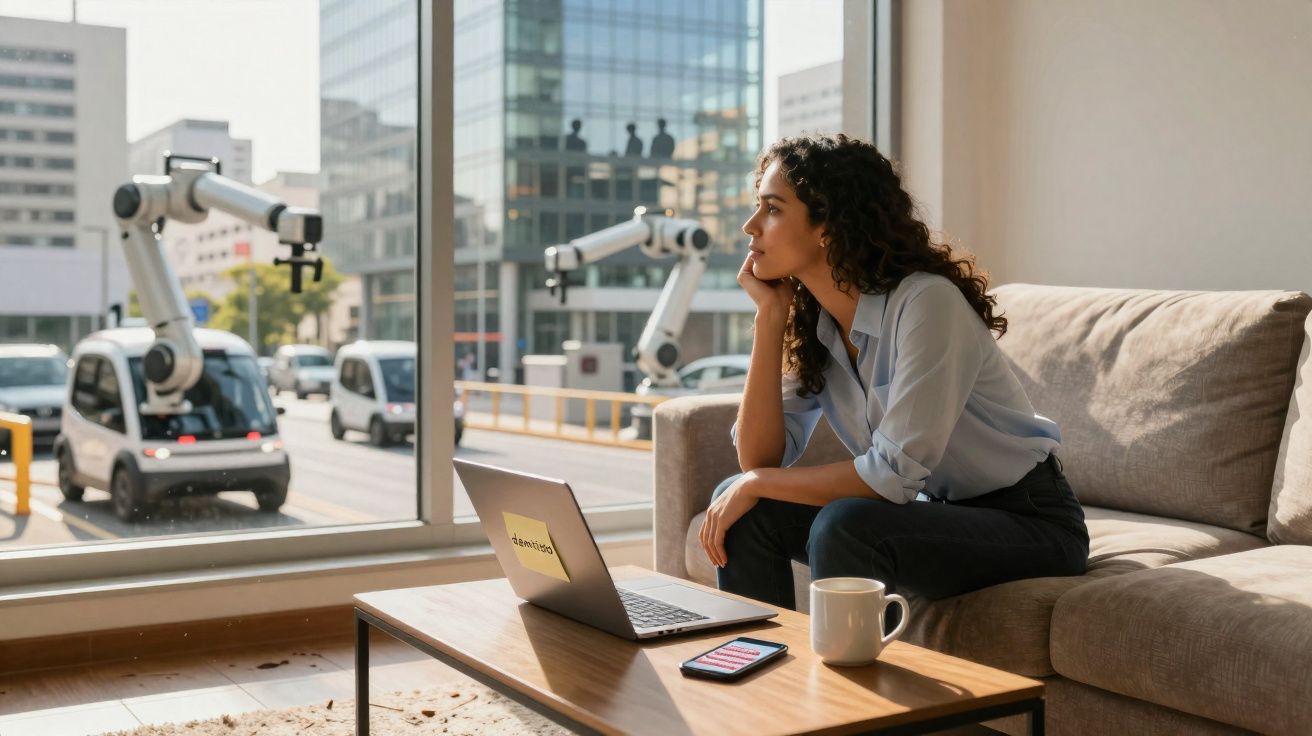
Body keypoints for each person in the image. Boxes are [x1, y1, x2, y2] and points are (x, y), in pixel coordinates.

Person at [700, 134, 1088, 624]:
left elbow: (889, 478)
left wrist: (757, 480)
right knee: (741, 506)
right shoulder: (817, 325)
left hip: (1030, 522)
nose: (750, 226)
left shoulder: (927, 304)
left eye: (772, 209)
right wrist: (770, 318)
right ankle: (763, 673)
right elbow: (758, 459)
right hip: (935, 515)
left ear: (828, 224)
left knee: (845, 524)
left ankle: (851, 700)